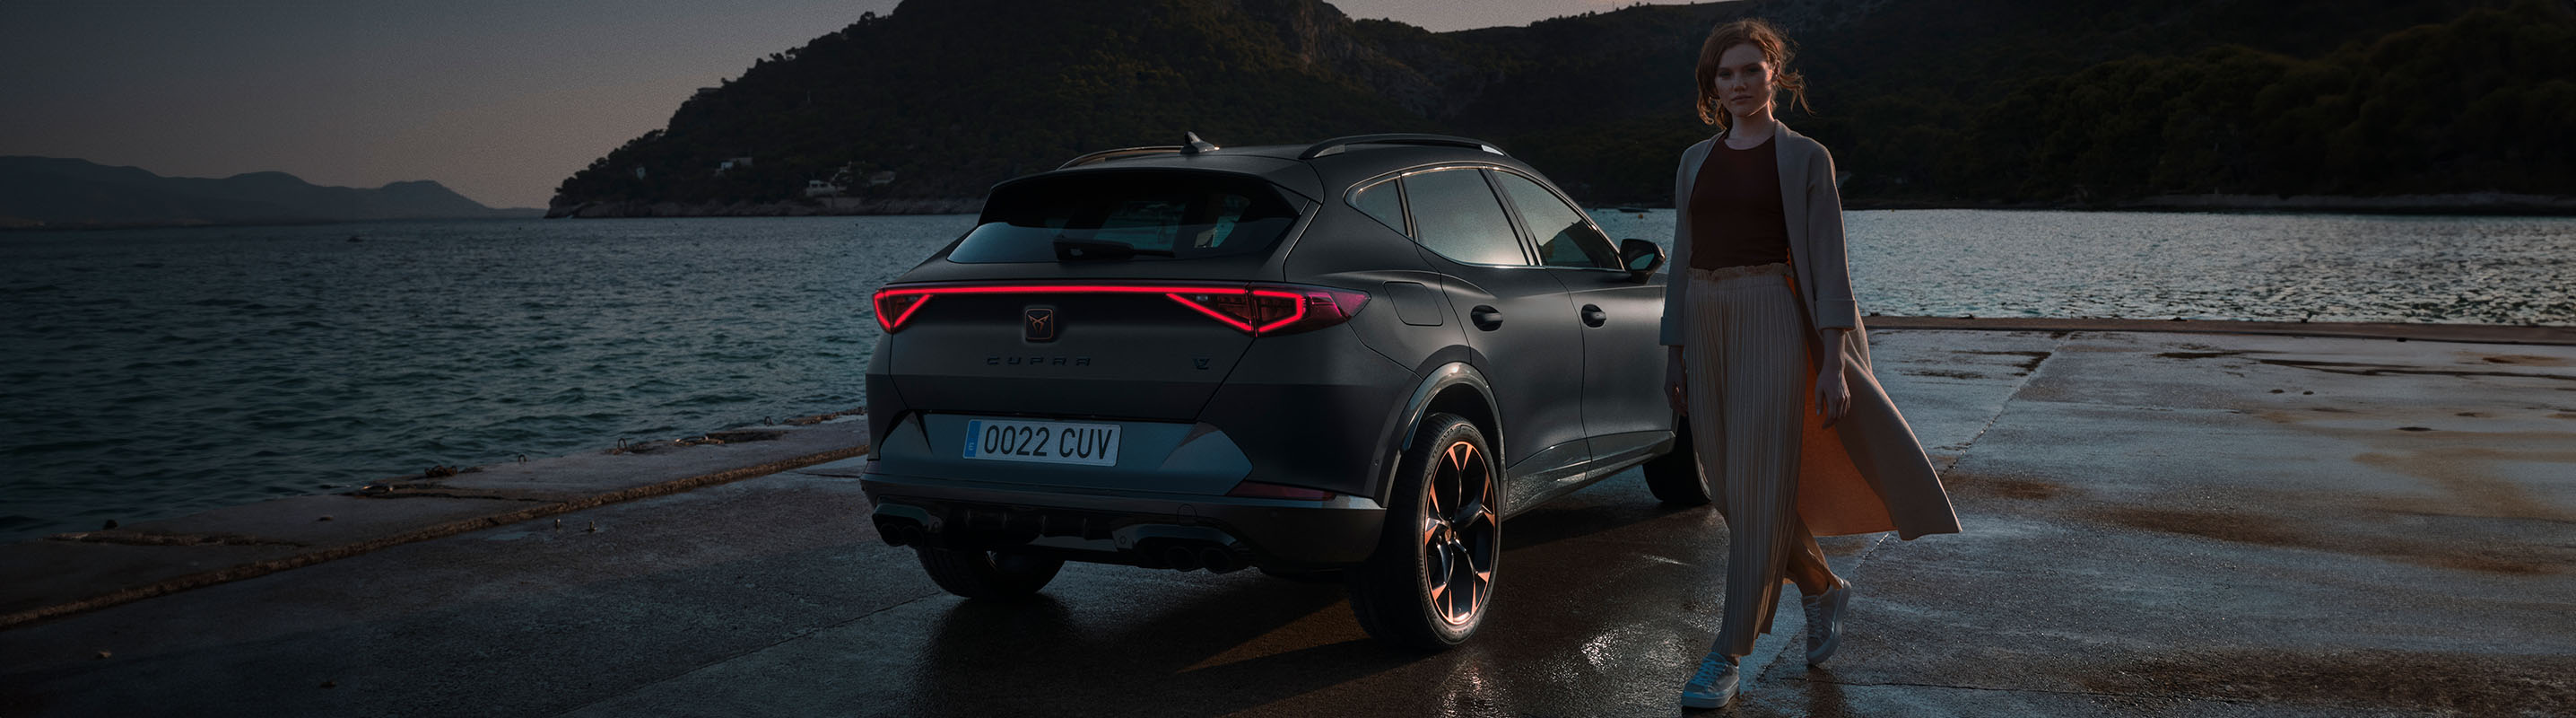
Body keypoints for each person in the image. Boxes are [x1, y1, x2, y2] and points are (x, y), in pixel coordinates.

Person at [1659, 18, 1962, 710]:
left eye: (1749, 71)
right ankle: (1822, 586)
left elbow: (1829, 265)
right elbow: (1680, 260)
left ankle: (1726, 652)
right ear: (1712, 87)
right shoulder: (1692, 161)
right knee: (1729, 491)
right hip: (1703, 318)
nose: (1737, 84)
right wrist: (1672, 349)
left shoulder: (1806, 159)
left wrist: (1832, 361)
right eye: (1724, 75)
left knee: (1762, 486)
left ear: (1775, 74)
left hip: (1769, 307)